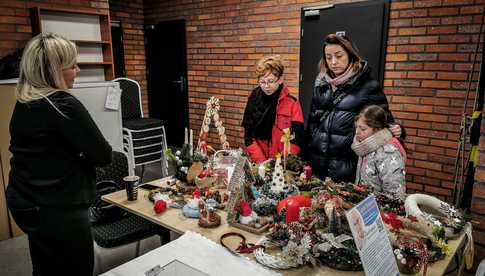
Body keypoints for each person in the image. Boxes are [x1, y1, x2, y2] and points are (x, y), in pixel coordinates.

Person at [6, 33, 112, 276]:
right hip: (59, 209)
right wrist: (81, 155)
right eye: (72, 66)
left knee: (45, 267)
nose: (78, 70)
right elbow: (103, 155)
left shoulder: (25, 102)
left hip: (28, 202)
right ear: (53, 70)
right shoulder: (63, 104)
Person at [306, 33, 403, 182]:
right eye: (329, 57)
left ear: (350, 55)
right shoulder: (321, 85)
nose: (333, 62)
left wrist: (397, 129)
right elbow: (312, 124)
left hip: (347, 168)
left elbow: (384, 122)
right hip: (317, 166)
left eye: (339, 56)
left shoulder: (368, 86)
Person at [242, 55, 304, 163]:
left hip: (283, 165)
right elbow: (248, 137)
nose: (266, 86)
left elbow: (297, 139)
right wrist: (262, 162)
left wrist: (281, 163)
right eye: (262, 82)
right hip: (259, 163)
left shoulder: (292, 103)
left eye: (270, 81)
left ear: (280, 79)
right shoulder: (253, 99)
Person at [351, 105, 406, 197]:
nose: (357, 132)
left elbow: (395, 192)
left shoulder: (388, 152)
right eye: (356, 127)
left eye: (363, 129)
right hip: (365, 204)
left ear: (377, 129)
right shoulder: (364, 146)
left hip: (381, 208)